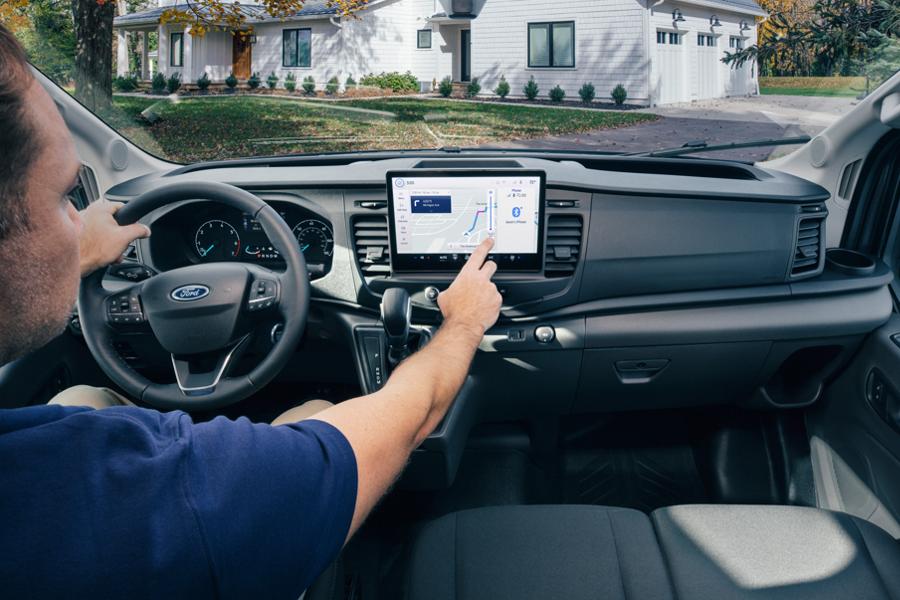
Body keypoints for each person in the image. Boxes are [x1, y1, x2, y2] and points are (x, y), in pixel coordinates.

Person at [0, 25, 502, 598]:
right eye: (67, 198)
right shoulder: (151, 495)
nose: (79, 221)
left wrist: (74, 258)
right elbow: (400, 420)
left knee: (82, 400)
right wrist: (461, 324)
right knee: (317, 408)